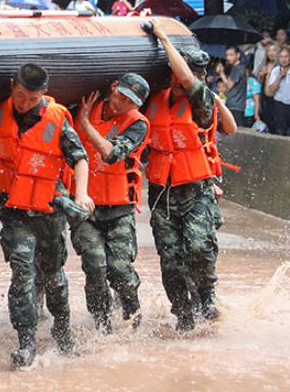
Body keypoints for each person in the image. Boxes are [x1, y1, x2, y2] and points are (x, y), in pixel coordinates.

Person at [0, 64, 93, 368]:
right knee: (21, 275)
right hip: (14, 212)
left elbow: (79, 158)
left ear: (43, 94)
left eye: (32, 98)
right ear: (12, 85)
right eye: (20, 96)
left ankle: (62, 330)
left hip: (50, 209)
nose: (24, 103)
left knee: (54, 277)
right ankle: (26, 342)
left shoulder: (57, 119)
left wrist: (81, 194)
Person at [145, 20, 222, 332]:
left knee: (198, 246)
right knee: (172, 262)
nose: (180, 80)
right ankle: (184, 315)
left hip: (196, 190)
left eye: (187, 76)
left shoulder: (201, 101)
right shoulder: (154, 99)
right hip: (162, 192)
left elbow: (189, 80)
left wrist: (163, 37)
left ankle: (206, 294)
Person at [73, 74, 151, 334]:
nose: (122, 104)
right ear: (113, 88)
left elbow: (110, 154)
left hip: (119, 209)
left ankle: (133, 320)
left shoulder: (138, 124)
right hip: (86, 208)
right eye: (121, 96)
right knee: (95, 266)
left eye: (130, 102)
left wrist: (85, 123)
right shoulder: (85, 105)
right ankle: (101, 325)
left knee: (120, 271)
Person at [216, 46, 247, 126]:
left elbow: (229, 85)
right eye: (227, 55)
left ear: (238, 55)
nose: (228, 57)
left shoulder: (238, 68)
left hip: (235, 104)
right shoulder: (238, 67)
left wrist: (221, 74)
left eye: (231, 55)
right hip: (236, 104)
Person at [268, 47, 290, 136]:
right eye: (281, 57)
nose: (284, 59)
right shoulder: (275, 71)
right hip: (279, 104)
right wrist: (279, 76)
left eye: (286, 57)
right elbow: (271, 89)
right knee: (280, 131)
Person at [259, 43, 281, 132]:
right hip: (265, 97)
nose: (271, 53)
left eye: (274, 50)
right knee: (266, 118)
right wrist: (261, 76)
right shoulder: (264, 65)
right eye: (269, 51)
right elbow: (260, 84)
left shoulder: (280, 67)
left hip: (277, 97)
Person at [244, 64, 262, 128]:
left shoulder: (253, 82)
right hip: (240, 110)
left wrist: (256, 114)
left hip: (250, 111)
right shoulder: (239, 81)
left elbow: (257, 99)